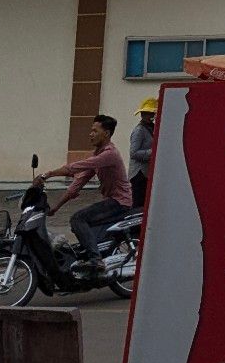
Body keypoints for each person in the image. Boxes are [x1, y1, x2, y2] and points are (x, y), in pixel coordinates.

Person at [45, 114, 132, 265]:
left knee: (78, 219)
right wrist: (56, 207)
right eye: (91, 130)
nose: (90, 134)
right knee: (82, 223)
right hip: (111, 200)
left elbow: (76, 167)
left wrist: (48, 174)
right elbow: (78, 182)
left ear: (106, 133)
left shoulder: (109, 154)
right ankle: (94, 252)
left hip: (119, 202)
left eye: (94, 131)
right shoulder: (98, 154)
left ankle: (95, 260)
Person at [128, 97, 156, 209]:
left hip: (146, 172)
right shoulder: (139, 130)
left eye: (151, 113)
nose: (149, 116)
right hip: (139, 173)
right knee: (138, 204)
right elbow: (133, 153)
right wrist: (152, 152)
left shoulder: (151, 128)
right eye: (146, 113)